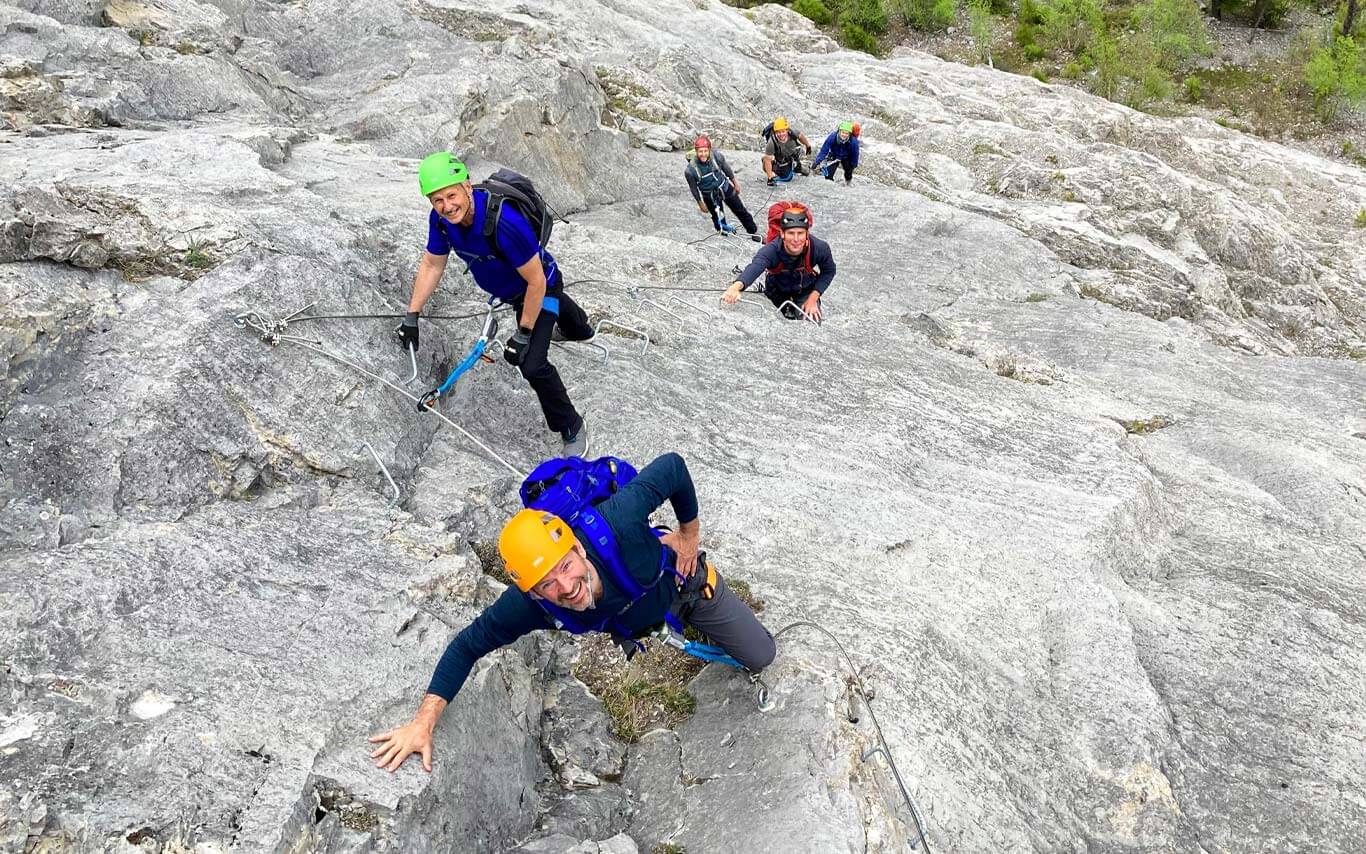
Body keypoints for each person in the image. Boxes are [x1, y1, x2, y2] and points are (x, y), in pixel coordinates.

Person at [367, 453, 776, 773]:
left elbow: (673, 467)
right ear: (531, 589)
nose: (564, 587)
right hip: (640, 618)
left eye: (565, 566)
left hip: (687, 586)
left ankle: (708, 602)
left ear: (578, 548)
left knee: (762, 655)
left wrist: (688, 535)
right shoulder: (532, 604)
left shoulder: (618, 523)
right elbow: (468, 645)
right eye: (546, 583)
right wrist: (423, 723)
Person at [399, 153, 592, 455]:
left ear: (466, 185)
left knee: (532, 364)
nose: (447, 206)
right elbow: (432, 265)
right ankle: (580, 328)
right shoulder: (441, 221)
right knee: (568, 325)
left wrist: (524, 333)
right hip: (516, 293)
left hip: (539, 289)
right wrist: (412, 314)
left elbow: (537, 282)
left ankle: (571, 425)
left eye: (451, 195)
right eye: (437, 200)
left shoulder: (504, 222)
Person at [722, 207, 835, 321]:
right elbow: (756, 266)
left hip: (805, 291)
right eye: (791, 233)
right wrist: (736, 287)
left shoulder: (819, 248)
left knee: (811, 320)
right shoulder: (772, 250)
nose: (796, 239)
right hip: (776, 292)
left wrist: (813, 298)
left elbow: (829, 271)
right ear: (782, 233)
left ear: (807, 234)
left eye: (800, 233)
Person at [684, 135, 759, 239]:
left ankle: (753, 232)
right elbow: (693, 188)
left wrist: (735, 183)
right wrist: (700, 203)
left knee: (740, 210)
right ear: (696, 152)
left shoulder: (717, 157)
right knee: (717, 216)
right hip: (709, 195)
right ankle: (723, 232)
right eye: (700, 151)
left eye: (705, 151)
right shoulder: (690, 171)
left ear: (709, 150)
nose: (703, 154)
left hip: (724, 187)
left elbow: (726, 169)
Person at [762, 117, 813, 186]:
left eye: (783, 131)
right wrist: (770, 178)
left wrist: (808, 145)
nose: (781, 134)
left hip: (793, 156)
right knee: (786, 176)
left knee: (804, 171)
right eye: (778, 132)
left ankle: (801, 168)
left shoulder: (793, 133)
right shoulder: (771, 142)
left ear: (787, 130)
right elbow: (767, 159)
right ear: (775, 132)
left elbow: (801, 136)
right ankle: (773, 168)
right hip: (782, 160)